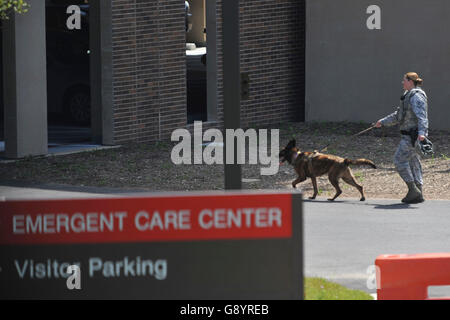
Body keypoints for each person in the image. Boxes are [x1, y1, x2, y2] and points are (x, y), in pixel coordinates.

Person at [375, 72, 429, 204]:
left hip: (412, 136)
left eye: (404, 80)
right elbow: (399, 115)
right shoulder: (408, 95)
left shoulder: (416, 97)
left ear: (411, 81)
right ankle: (418, 192)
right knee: (414, 162)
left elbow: (422, 117)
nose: (402, 83)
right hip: (410, 135)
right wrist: (382, 122)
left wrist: (422, 134)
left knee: (399, 160)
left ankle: (413, 190)